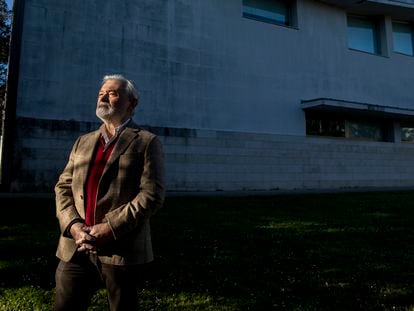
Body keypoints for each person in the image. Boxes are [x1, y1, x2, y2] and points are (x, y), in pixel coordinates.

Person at [53, 74, 165, 311]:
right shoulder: (83, 141)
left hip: (121, 249)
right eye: (101, 93)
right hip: (75, 246)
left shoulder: (146, 142)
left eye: (112, 93)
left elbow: (151, 194)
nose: (103, 96)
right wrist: (73, 225)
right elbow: (63, 186)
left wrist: (109, 228)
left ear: (132, 103)